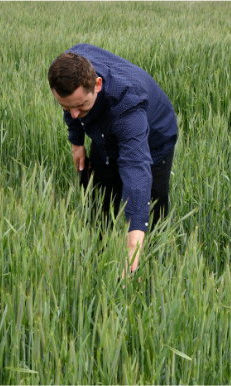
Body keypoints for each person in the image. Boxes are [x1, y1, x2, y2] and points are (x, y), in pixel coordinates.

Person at [48, 43, 178, 281]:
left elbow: (136, 173)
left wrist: (132, 246)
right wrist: (76, 141)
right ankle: (98, 262)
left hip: (154, 140)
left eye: (79, 106)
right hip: (104, 137)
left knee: (152, 211)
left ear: (97, 84)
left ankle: (151, 272)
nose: (73, 113)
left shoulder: (127, 106)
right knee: (98, 203)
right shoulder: (68, 68)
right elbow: (72, 108)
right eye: (66, 107)